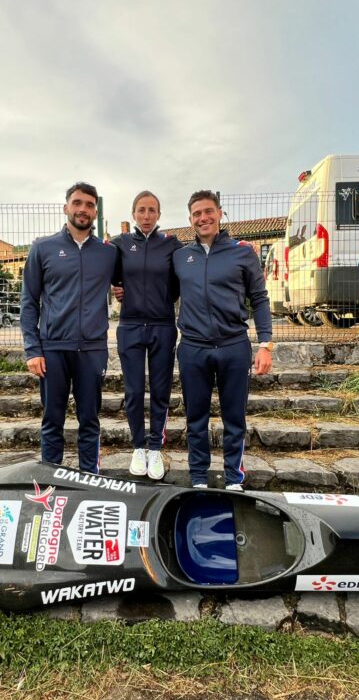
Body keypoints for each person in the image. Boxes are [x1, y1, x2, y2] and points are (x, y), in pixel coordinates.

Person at [172, 190, 274, 490]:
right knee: (196, 419)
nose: (203, 218)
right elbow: (159, 289)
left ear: (219, 213)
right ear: (190, 219)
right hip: (192, 349)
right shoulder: (180, 257)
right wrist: (122, 290)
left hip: (233, 347)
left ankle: (233, 478)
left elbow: (260, 298)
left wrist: (265, 344)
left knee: (234, 418)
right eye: (196, 214)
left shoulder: (243, 253)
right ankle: (199, 478)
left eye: (208, 211)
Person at [20, 182, 118, 473]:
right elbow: (29, 302)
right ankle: (51, 481)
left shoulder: (108, 252)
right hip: (52, 349)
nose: (82, 209)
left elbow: (130, 281)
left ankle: (90, 476)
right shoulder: (43, 248)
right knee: (52, 419)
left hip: (92, 350)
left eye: (89, 205)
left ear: (95, 212)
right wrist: (32, 349)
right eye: (77, 203)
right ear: (66, 208)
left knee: (90, 420)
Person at [110, 191, 183, 480]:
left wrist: (161, 298)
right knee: (134, 391)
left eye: (152, 210)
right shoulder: (121, 245)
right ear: (133, 213)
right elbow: (113, 278)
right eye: (141, 210)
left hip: (163, 326)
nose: (147, 215)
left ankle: (155, 448)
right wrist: (118, 291)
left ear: (159, 215)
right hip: (129, 326)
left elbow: (178, 284)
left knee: (161, 391)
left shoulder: (172, 245)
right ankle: (138, 447)